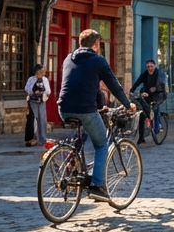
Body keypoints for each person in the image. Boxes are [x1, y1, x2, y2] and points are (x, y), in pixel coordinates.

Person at [57, 29, 135, 203]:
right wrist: (126, 104)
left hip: (63, 109)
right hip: (85, 109)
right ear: (96, 44)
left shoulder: (68, 58)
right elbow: (113, 85)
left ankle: (76, 167)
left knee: (82, 135)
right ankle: (97, 186)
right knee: (101, 145)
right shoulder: (98, 60)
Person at [130, 59, 168, 144]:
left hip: (159, 94)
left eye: (151, 66)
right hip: (148, 94)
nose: (150, 68)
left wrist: (156, 88)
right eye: (148, 67)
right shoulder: (145, 75)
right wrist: (131, 91)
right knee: (142, 113)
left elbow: (162, 84)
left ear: (154, 66)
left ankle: (158, 126)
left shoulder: (160, 74)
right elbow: (138, 82)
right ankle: (142, 135)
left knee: (154, 108)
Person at [24, 64, 51, 147]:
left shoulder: (45, 79)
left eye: (44, 71)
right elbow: (27, 88)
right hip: (33, 102)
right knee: (33, 120)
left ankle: (42, 138)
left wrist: (44, 93)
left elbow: (48, 90)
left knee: (42, 120)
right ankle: (32, 138)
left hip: (42, 101)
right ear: (37, 71)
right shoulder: (31, 79)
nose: (44, 73)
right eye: (42, 71)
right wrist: (33, 92)